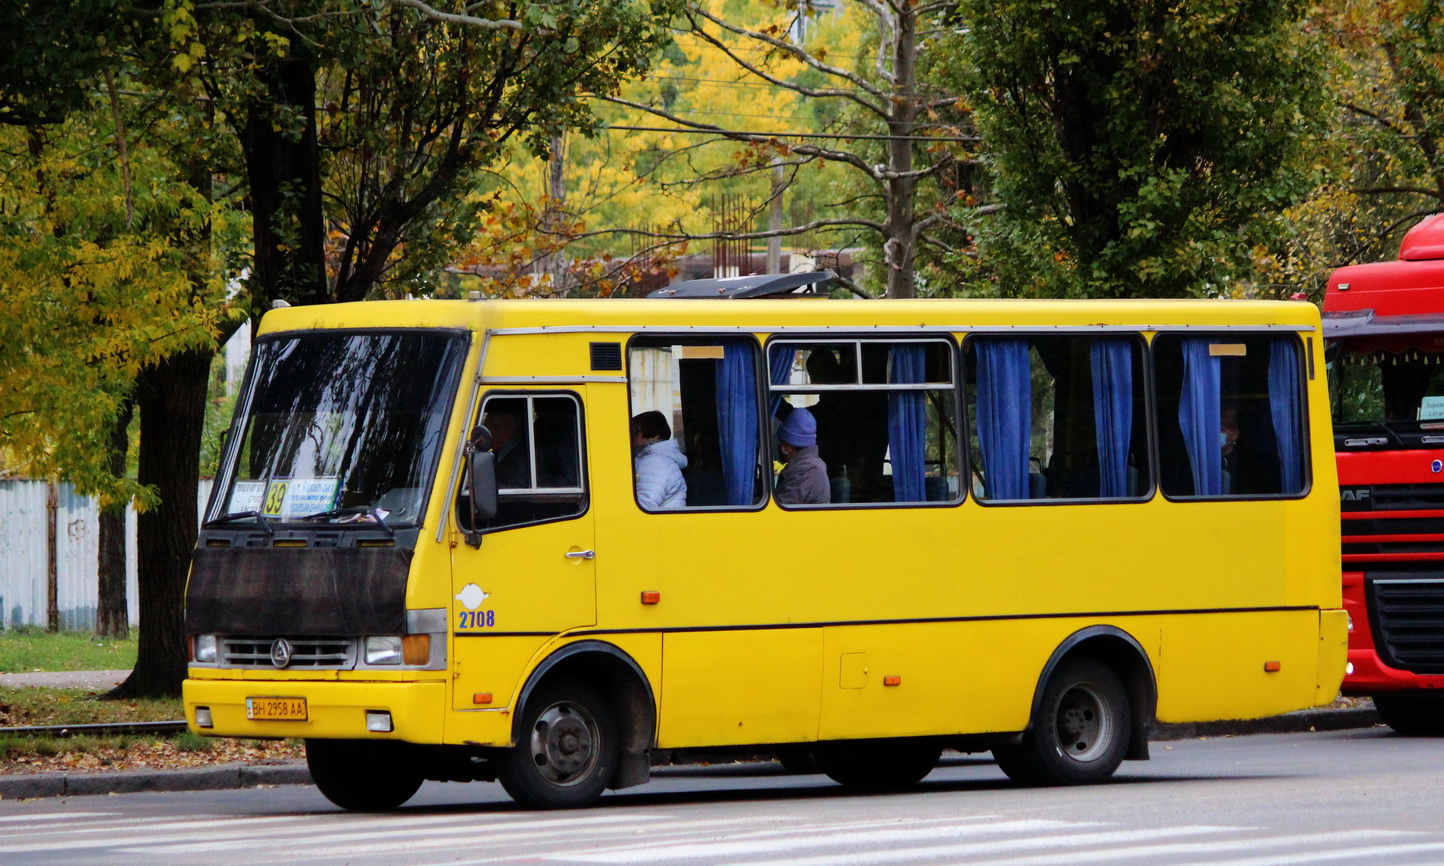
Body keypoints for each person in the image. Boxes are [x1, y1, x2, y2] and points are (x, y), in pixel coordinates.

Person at [632, 410, 688, 509]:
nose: (631, 437)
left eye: (636, 432)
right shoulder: (658, 459)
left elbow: (645, 505)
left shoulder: (655, 463)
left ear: (655, 435)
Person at [775, 407, 830, 505]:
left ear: (787, 448)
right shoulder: (809, 465)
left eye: (781, 442)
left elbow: (779, 509)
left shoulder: (807, 471)